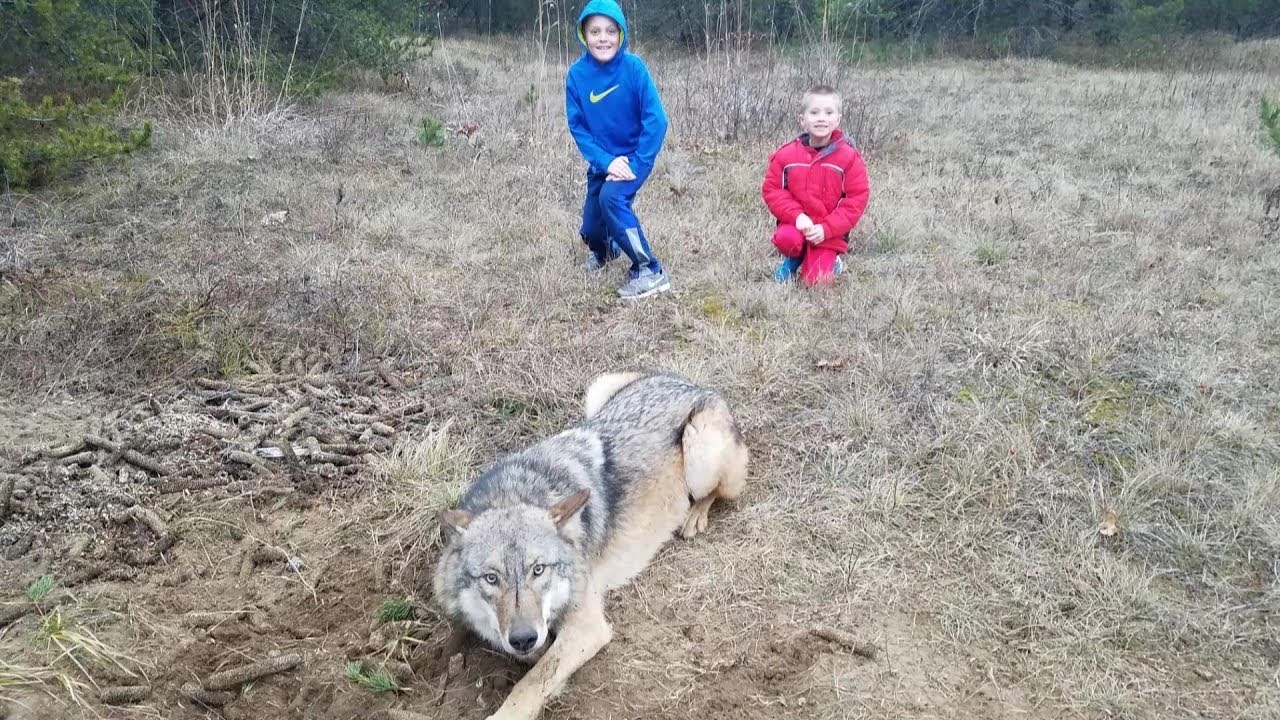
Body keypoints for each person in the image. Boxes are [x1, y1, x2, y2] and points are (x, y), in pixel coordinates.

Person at [565, 0, 671, 300]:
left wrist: (637, 162)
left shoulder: (634, 68)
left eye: (611, 31)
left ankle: (649, 269)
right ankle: (606, 251)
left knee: (612, 199)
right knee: (591, 229)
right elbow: (579, 128)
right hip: (603, 163)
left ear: (621, 34)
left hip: (634, 158)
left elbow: (657, 120)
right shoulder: (576, 75)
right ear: (584, 34)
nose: (603, 38)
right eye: (595, 31)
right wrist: (605, 161)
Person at [761, 84, 870, 286]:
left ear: (837, 120)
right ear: (802, 120)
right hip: (796, 226)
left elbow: (856, 199)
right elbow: (772, 190)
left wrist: (826, 229)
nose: (821, 118)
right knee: (786, 239)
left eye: (829, 113)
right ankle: (795, 257)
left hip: (829, 233)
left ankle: (832, 261)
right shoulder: (786, 155)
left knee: (816, 282)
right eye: (814, 112)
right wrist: (796, 216)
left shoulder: (849, 158)